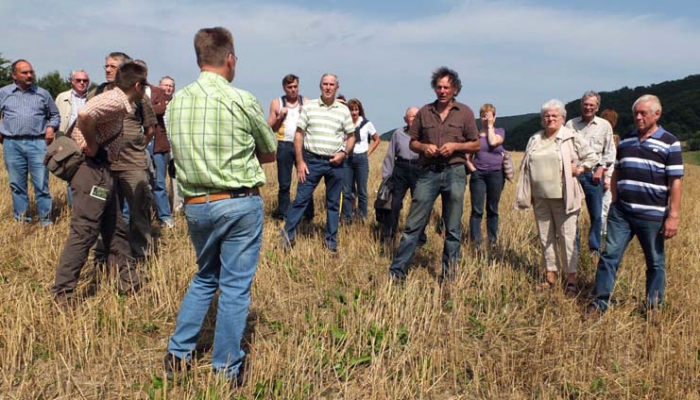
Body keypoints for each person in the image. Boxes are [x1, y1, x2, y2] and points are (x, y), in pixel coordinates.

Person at [163, 27, 276, 383]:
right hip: (237, 202)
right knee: (235, 286)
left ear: (199, 58)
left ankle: (178, 354)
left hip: (195, 204)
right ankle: (226, 366)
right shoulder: (241, 99)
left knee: (205, 276)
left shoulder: (176, 102)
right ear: (230, 58)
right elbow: (270, 151)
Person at [50, 62, 147, 305]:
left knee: (115, 229)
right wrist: (92, 145)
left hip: (102, 171)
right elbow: (84, 114)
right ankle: (63, 295)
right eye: (144, 84)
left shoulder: (117, 99)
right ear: (137, 85)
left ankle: (129, 284)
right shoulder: (115, 100)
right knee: (84, 232)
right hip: (91, 171)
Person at [587, 95, 683, 315]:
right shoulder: (628, 140)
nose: (638, 117)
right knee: (609, 256)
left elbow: (675, 182)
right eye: (635, 113)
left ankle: (653, 306)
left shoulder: (670, 142)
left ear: (657, 114)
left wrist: (673, 215)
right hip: (622, 213)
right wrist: (614, 200)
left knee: (655, 262)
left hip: (653, 215)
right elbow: (617, 171)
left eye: (643, 113)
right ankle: (600, 301)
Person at [388, 67, 479, 283]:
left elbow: (476, 144)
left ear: (455, 89)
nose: (442, 91)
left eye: (447, 87)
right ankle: (397, 272)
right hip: (428, 172)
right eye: (439, 87)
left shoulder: (465, 112)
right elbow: (413, 142)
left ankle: (449, 276)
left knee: (453, 228)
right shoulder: (424, 112)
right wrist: (424, 147)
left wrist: (456, 146)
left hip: (455, 172)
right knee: (413, 225)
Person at [515, 99, 597, 296]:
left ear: (562, 118)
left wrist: (580, 168)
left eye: (554, 115)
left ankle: (571, 279)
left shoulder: (570, 137)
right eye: (547, 116)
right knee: (546, 237)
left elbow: (592, 157)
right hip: (540, 197)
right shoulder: (535, 138)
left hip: (564, 196)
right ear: (542, 119)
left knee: (567, 238)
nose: (550, 118)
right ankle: (550, 276)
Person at [281, 73, 355, 253]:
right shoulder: (310, 106)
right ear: (320, 86)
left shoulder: (343, 110)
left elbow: (351, 136)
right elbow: (299, 134)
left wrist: (344, 153)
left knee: (332, 204)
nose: (328, 87)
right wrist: (300, 162)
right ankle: (287, 234)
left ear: (337, 87)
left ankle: (330, 242)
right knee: (301, 199)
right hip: (312, 161)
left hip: (335, 163)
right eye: (325, 84)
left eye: (332, 84)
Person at [0, 59, 59, 226]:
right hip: (12, 144)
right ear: (14, 75)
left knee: (41, 183)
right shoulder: (4, 93)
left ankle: (46, 220)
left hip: (38, 143)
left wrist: (50, 128)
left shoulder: (42, 93)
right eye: (24, 72)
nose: (29, 75)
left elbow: (55, 115)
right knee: (16, 184)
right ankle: (21, 220)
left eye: (31, 72)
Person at [565, 91, 615, 258]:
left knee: (596, 214)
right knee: (573, 213)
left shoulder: (604, 126)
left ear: (597, 107)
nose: (588, 107)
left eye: (591, 105)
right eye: (585, 104)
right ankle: (575, 248)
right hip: (574, 174)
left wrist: (601, 169)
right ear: (581, 105)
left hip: (594, 175)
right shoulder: (570, 124)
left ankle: (594, 249)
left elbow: (609, 152)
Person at [268, 74, 313, 221]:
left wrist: (306, 111)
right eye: (290, 87)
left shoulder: (305, 101)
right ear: (284, 88)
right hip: (284, 145)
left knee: (305, 181)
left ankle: (307, 214)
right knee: (284, 183)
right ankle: (283, 214)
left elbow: (313, 124)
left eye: (295, 86)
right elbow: (271, 127)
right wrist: (280, 116)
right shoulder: (277, 103)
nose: (293, 90)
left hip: (303, 145)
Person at [380, 106, 427, 245]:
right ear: (405, 119)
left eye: (416, 116)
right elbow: (390, 154)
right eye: (411, 116)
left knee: (420, 204)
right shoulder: (398, 133)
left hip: (419, 168)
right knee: (393, 204)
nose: (414, 119)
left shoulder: (425, 135)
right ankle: (388, 235)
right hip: (400, 168)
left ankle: (419, 237)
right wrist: (386, 176)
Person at [466, 103, 506, 249]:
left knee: (493, 208)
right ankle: (476, 242)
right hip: (479, 176)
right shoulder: (474, 136)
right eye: (483, 116)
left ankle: (492, 241)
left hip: (496, 174)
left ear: (495, 117)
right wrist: (474, 171)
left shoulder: (500, 132)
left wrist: (490, 127)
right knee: (477, 209)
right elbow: (467, 157)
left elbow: (493, 142)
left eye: (489, 116)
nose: (486, 118)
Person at [55, 69, 91, 208]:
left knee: (91, 177)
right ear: (72, 81)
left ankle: (89, 208)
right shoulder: (61, 97)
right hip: (69, 142)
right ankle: (74, 209)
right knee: (72, 176)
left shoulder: (94, 97)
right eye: (78, 80)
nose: (82, 83)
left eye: (85, 80)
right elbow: (55, 118)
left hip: (90, 142)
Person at [342, 98, 380, 224]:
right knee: (347, 191)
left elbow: (377, 139)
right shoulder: (344, 123)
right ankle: (347, 217)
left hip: (361, 159)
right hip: (347, 159)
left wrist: (367, 153)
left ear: (360, 110)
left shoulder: (366, 123)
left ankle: (362, 218)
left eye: (356, 109)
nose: (354, 112)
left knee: (362, 191)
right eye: (351, 109)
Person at [599, 109, 620, 236]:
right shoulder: (612, 138)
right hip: (608, 176)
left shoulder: (606, 136)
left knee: (602, 207)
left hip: (604, 175)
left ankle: (602, 232)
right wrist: (607, 177)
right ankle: (603, 234)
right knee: (605, 207)